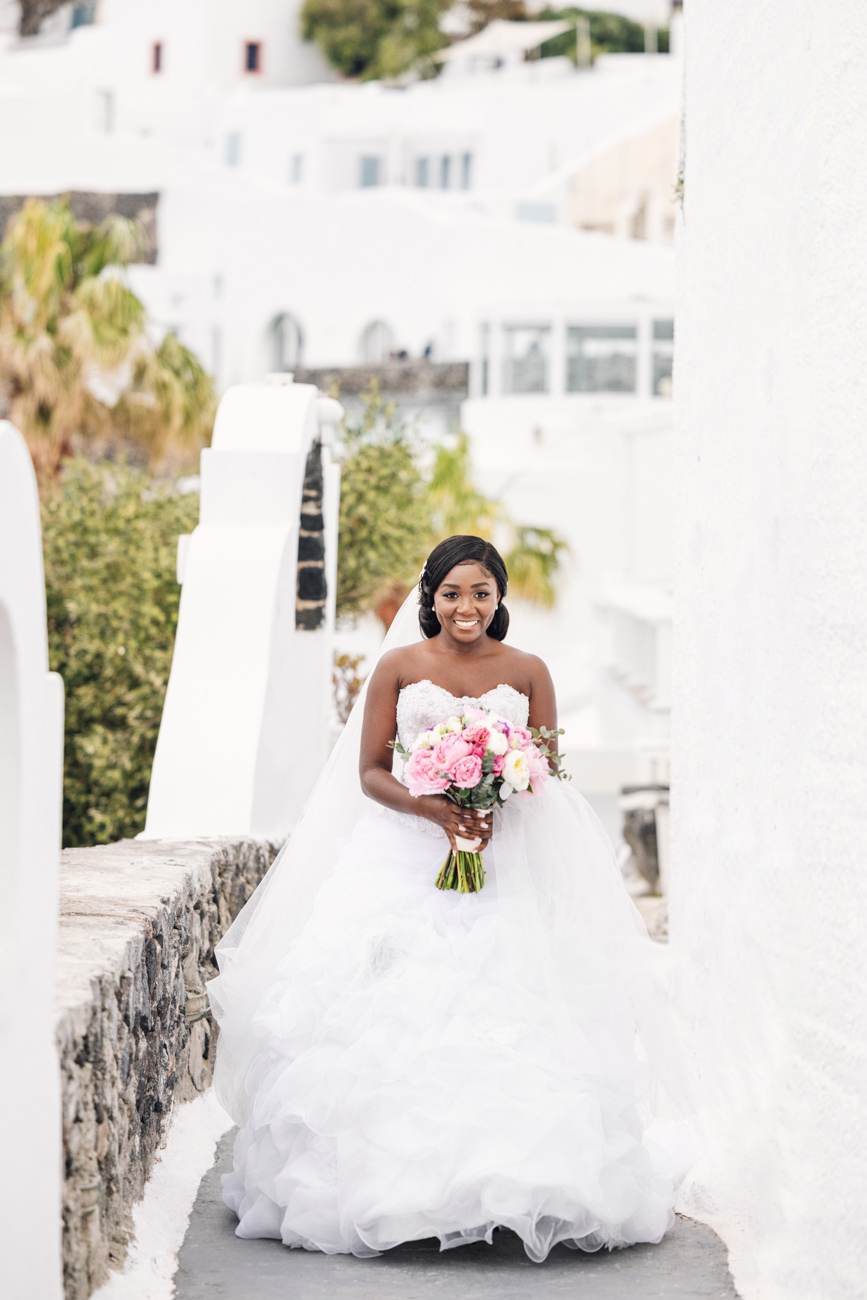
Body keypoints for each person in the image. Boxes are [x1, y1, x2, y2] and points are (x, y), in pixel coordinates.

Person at [208, 535, 692, 1263]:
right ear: (429, 597)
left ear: (499, 600)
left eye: (481, 594)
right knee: (395, 1013)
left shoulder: (528, 670)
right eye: (451, 594)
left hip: (507, 862)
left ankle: (521, 1187)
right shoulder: (399, 668)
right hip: (403, 858)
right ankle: (393, 1188)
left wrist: (504, 785)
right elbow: (370, 771)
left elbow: (549, 765)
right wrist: (434, 808)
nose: (466, 607)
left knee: (513, 1007)